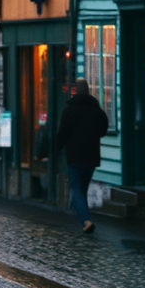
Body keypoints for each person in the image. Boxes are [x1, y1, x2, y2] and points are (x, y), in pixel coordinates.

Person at [53, 80, 110, 233]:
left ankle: (86, 220)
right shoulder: (97, 111)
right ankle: (79, 213)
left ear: (75, 91)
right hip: (91, 157)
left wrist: (55, 152)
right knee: (82, 189)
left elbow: (62, 135)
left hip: (75, 157)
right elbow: (104, 129)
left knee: (76, 189)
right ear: (88, 91)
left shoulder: (69, 111)